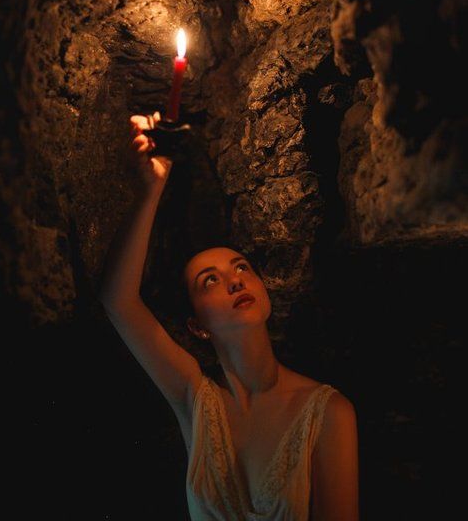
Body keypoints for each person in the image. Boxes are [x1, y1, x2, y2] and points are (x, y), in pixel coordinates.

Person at [99, 111, 359, 520]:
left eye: (241, 268)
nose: (235, 281)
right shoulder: (195, 399)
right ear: (196, 326)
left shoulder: (328, 412)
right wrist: (150, 191)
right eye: (210, 281)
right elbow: (117, 301)